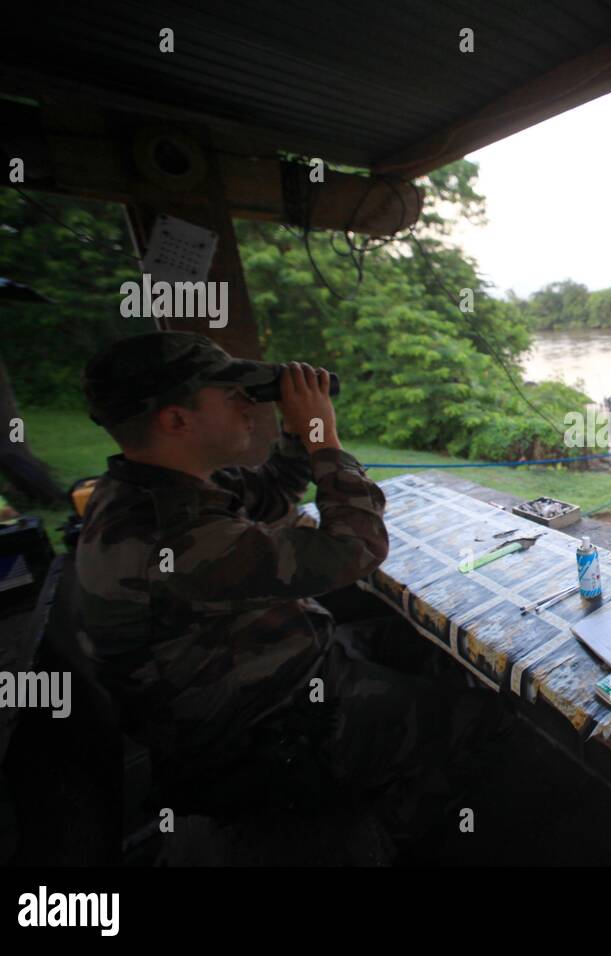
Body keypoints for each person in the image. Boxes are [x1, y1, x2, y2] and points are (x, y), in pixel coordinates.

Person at [76, 330, 503, 847]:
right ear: (175, 420)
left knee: (429, 649)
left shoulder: (151, 488)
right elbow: (357, 546)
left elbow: (275, 491)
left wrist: (297, 431)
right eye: (231, 394)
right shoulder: (176, 535)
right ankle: (398, 833)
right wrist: (324, 436)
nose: (247, 406)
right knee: (486, 720)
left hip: (271, 668)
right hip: (268, 729)